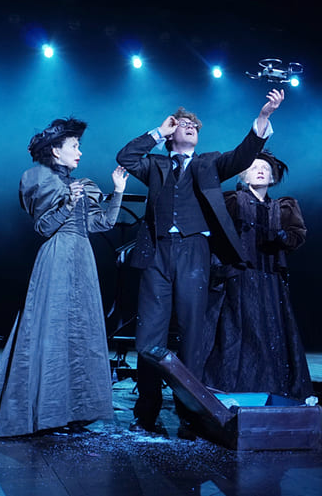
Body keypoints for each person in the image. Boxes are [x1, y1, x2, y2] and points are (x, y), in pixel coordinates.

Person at [116, 89, 285, 435]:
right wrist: (157, 132)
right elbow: (126, 157)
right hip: (157, 253)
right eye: (183, 123)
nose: (191, 126)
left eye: (195, 124)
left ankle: (190, 414)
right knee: (149, 336)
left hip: (194, 252)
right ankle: (146, 412)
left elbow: (243, 155)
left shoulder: (209, 163)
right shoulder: (156, 164)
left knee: (192, 334)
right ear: (171, 131)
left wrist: (264, 117)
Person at [0, 118, 128, 437]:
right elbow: (43, 228)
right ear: (56, 151)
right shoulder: (40, 179)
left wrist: (118, 192)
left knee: (80, 333)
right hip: (57, 258)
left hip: (82, 260)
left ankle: (74, 411)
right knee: (51, 331)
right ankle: (44, 412)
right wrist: (68, 203)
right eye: (74, 146)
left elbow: (101, 224)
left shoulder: (83, 184)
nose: (80, 152)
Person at [202, 151, 312, 400]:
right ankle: (233, 387)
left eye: (265, 168)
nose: (260, 171)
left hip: (270, 280)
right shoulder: (232, 201)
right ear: (243, 175)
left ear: (273, 177)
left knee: (272, 333)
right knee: (238, 333)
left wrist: (283, 237)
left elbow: (298, 235)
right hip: (239, 277)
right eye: (253, 167)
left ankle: (272, 387)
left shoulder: (283, 207)